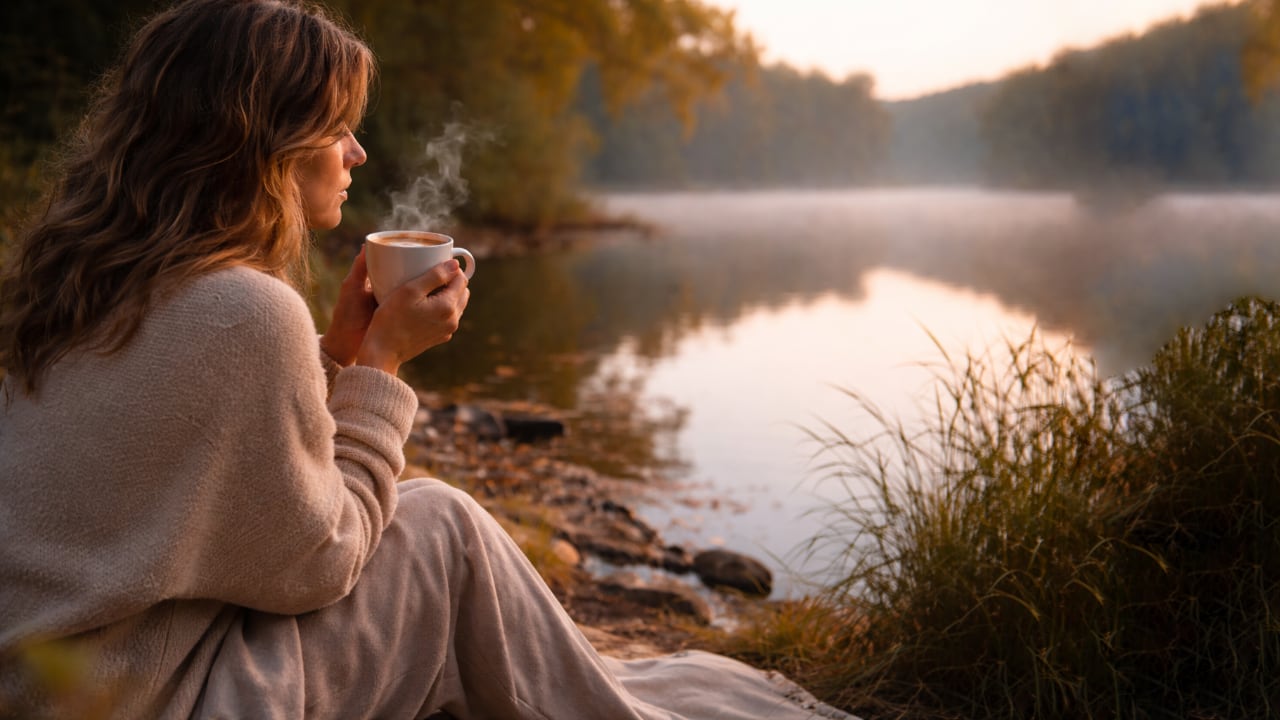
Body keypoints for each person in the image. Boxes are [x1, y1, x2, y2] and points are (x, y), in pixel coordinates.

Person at [0, 1, 855, 718]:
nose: (357, 154)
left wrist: (334, 354)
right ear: (263, 141)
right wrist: (382, 370)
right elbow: (318, 562)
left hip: (49, 684)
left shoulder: (75, 280)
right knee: (440, 527)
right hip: (152, 700)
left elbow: (211, 493)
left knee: (434, 531)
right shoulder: (242, 310)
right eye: (337, 128)